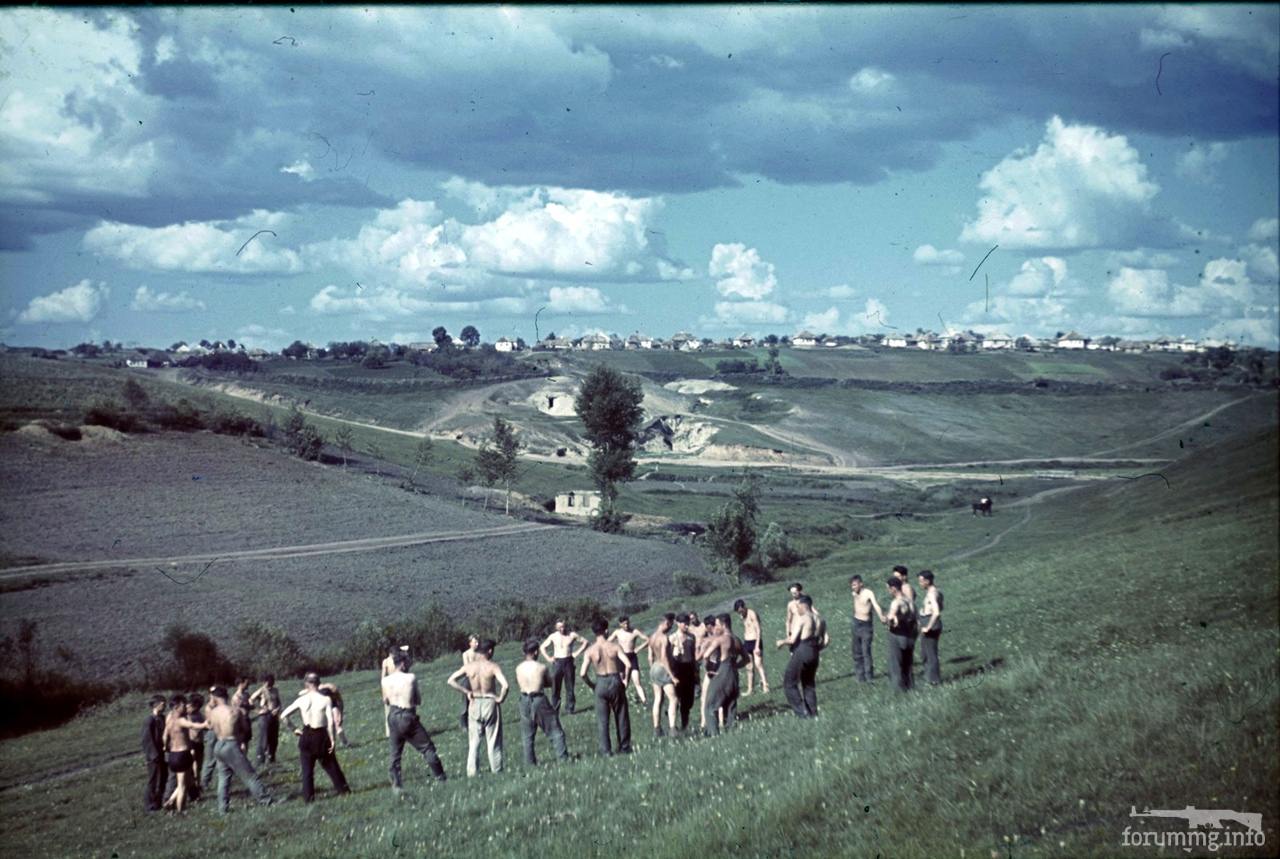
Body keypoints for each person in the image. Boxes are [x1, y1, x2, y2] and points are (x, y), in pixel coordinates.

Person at [281, 672, 351, 803]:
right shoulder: (325, 700)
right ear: (319, 683)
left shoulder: (301, 700)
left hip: (306, 735)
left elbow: (283, 715)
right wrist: (332, 740)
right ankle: (344, 791)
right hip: (320, 735)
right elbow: (330, 722)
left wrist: (294, 729)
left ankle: (308, 798)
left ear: (306, 684)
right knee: (331, 765)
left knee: (307, 770)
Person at [382, 650, 446, 792]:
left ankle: (397, 786)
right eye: (409, 662)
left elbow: (385, 700)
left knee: (395, 754)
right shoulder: (411, 677)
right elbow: (418, 700)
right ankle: (441, 777)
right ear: (403, 664)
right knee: (427, 748)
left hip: (392, 716)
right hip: (407, 716)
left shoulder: (385, 680)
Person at [206, 685, 272, 814]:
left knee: (223, 778)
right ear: (227, 696)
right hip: (231, 744)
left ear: (215, 697)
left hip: (219, 744)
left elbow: (211, 727)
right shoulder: (234, 711)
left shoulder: (212, 712)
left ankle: (222, 808)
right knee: (250, 775)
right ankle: (266, 800)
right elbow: (244, 729)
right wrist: (241, 741)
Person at [448, 639, 508, 777]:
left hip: (474, 702)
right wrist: (500, 698)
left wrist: (467, 692)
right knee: (493, 740)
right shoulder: (493, 666)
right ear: (490, 651)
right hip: (489, 701)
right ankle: (497, 771)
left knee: (474, 741)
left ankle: (472, 772)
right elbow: (505, 685)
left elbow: (451, 680)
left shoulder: (469, 667)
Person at [580, 618, 631, 756]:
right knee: (621, 715)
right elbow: (629, 664)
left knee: (602, 720)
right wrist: (625, 680)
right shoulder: (614, 646)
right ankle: (624, 747)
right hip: (615, 680)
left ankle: (606, 751)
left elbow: (582, 673)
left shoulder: (590, 650)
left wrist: (593, 686)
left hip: (600, 682)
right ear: (606, 630)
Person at [515, 638, 569, 765]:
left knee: (527, 735)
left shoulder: (518, 668)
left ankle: (529, 763)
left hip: (523, 700)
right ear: (535, 652)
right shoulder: (541, 667)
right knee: (555, 730)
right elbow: (549, 683)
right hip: (538, 698)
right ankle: (563, 759)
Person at [703, 614, 749, 736]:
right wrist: (735, 666)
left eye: (717, 625)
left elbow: (705, 655)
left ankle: (714, 735)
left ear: (723, 625)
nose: (716, 627)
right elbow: (747, 659)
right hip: (734, 674)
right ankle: (732, 733)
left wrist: (709, 669)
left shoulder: (721, 639)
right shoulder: (737, 640)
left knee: (710, 706)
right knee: (731, 705)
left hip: (722, 672)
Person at [776, 595, 821, 718]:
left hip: (803, 650)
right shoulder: (818, 619)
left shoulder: (803, 618)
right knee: (808, 683)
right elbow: (824, 640)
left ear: (803, 605)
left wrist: (781, 642)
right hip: (814, 651)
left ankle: (802, 712)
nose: (797, 609)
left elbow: (792, 640)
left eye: (798, 606)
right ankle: (813, 713)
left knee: (789, 683)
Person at [161, 694, 206, 813]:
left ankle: (170, 801)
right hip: (183, 754)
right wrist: (206, 724)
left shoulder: (169, 719)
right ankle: (180, 810)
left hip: (172, 755)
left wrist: (165, 747)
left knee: (187, 780)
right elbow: (193, 726)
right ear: (176, 707)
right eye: (183, 705)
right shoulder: (181, 720)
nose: (185, 707)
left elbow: (165, 736)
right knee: (182, 785)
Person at [539, 621, 587, 715]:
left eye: (563, 627)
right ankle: (555, 709)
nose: (562, 629)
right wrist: (549, 658)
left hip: (569, 661)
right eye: (560, 627)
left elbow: (585, 642)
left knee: (570, 687)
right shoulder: (553, 636)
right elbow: (542, 647)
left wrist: (576, 653)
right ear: (556, 627)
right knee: (555, 687)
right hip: (557, 662)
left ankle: (570, 709)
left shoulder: (572, 635)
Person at [850, 575, 886, 682]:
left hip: (866, 625)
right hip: (856, 623)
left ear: (861, 583)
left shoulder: (868, 593)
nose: (853, 587)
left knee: (866, 651)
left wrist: (881, 617)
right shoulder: (854, 594)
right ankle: (860, 677)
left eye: (855, 585)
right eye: (852, 585)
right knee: (856, 651)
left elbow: (876, 605)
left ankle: (869, 676)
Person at [884, 579, 918, 693]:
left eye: (888, 588)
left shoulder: (896, 602)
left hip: (898, 635)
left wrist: (886, 619)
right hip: (909, 635)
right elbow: (915, 618)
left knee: (896, 664)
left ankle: (898, 690)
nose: (888, 591)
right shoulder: (909, 601)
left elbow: (890, 619)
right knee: (907, 663)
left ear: (893, 588)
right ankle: (910, 686)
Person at [648, 613, 679, 738]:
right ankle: (672, 729)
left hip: (654, 668)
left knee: (658, 699)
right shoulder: (663, 638)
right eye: (671, 624)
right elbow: (665, 658)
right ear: (667, 623)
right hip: (663, 668)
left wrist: (652, 670)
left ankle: (657, 729)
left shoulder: (652, 637)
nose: (671, 627)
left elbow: (650, 657)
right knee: (673, 699)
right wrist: (672, 676)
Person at [608, 617, 650, 705]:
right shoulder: (617, 632)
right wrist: (613, 650)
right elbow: (607, 642)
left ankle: (645, 701)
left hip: (632, 657)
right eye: (624, 624)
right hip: (621, 658)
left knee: (637, 681)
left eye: (627, 623)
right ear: (620, 624)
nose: (626, 625)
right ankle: (618, 701)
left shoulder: (634, 631)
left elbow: (648, 640)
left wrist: (639, 648)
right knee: (622, 681)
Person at [668, 613, 698, 733]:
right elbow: (667, 656)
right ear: (678, 623)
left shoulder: (691, 637)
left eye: (687, 623)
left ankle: (684, 723)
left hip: (690, 670)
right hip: (678, 671)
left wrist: (696, 671)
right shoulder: (672, 638)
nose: (686, 625)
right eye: (684, 623)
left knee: (688, 700)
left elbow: (694, 654)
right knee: (677, 698)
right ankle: (675, 725)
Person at [734, 599, 770, 695]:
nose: (740, 613)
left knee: (758, 664)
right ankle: (750, 689)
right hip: (747, 642)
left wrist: (757, 646)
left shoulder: (752, 614)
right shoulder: (742, 616)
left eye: (741, 610)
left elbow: (758, 629)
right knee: (749, 666)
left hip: (755, 641)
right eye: (739, 612)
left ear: (744, 607)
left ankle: (766, 686)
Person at [918, 570, 944, 686]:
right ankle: (929, 678)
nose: (920, 583)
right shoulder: (935, 592)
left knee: (930, 654)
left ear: (927, 581)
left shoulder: (932, 594)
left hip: (930, 625)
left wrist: (928, 626)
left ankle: (934, 681)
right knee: (925, 653)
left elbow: (937, 612)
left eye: (921, 581)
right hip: (927, 621)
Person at [248, 674, 282, 765]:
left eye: (271, 682)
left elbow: (279, 702)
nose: (269, 684)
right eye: (267, 682)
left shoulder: (275, 690)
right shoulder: (261, 690)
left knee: (274, 738)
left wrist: (278, 709)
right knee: (264, 738)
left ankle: (272, 757)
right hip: (265, 716)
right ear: (265, 682)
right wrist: (258, 710)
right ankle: (260, 759)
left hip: (274, 715)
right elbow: (250, 700)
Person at [142, 695, 167, 812]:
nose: (165, 705)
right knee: (153, 780)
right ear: (156, 704)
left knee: (162, 778)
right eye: (162, 703)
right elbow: (147, 739)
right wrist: (154, 755)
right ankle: (149, 805)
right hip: (154, 756)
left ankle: (158, 802)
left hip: (162, 753)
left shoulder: (162, 718)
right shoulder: (149, 720)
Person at [382, 645, 410, 737]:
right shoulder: (396, 660)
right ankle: (397, 730)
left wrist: (384, 693)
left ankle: (392, 731)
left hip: (393, 686)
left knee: (394, 710)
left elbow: (383, 678)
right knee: (399, 709)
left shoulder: (387, 661)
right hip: (396, 686)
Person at [457, 635, 480, 730]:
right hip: (468, 680)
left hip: (478, 679)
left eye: (478, 642)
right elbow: (468, 668)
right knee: (465, 703)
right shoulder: (465, 654)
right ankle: (464, 724)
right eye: (475, 642)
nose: (477, 644)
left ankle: (477, 721)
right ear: (470, 643)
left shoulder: (479, 654)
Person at [318, 683, 351, 747]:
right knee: (337, 726)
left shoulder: (315, 691)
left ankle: (332, 744)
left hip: (324, 709)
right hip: (333, 707)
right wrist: (340, 715)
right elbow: (340, 701)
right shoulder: (331, 687)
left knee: (329, 727)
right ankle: (345, 742)